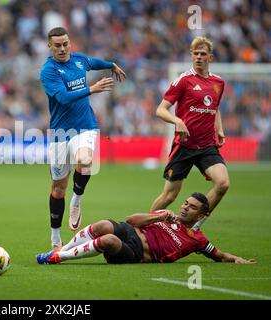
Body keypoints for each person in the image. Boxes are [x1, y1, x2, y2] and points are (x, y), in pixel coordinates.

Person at [39, 27, 126, 248]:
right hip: (61, 133)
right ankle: (55, 237)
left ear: (70, 43)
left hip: (85, 126)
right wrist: (92, 88)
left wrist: (110, 65)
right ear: (50, 47)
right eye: (57, 45)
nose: (62, 48)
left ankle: (77, 200)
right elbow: (64, 98)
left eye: (65, 43)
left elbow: (93, 62)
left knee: (85, 160)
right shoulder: (48, 71)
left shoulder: (78, 60)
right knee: (58, 187)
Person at [36, 192, 255, 265]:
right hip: (131, 232)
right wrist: (157, 217)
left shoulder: (197, 239)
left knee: (109, 240)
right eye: (185, 204)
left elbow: (218, 254)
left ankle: (58, 258)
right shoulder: (165, 216)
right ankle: (60, 249)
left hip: (136, 254)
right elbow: (131, 220)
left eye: (192, 207)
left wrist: (236, 259)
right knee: (104, 224)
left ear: (202, 215)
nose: (185, 208)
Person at [150, 36, 230, 231]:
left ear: (210, 57)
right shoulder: (184, 80)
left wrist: (219, 129)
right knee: (170, 195)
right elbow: (160, 109)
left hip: (206, 146)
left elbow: (215, 107)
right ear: (191, 56)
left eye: (203, 54)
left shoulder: (218, 82)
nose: (199, 57)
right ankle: (142, 228)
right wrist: (177, 120)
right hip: (184, 146)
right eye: (196, 54)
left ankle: (192, 227)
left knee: (223, 184)